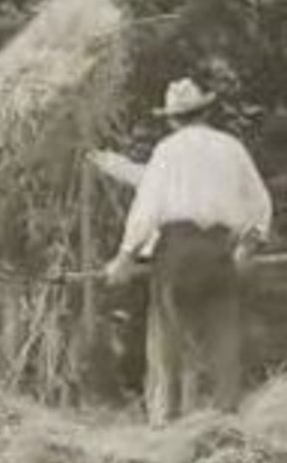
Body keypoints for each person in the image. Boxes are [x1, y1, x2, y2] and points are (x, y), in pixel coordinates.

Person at [104, 78, 272, 426]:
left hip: (178, 253)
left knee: (168, 344)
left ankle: (168, 423)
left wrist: (124, 257)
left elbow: (147, 209)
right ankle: (227, 426)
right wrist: (247, 247)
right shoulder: (231, 147)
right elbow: (260, 204)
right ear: (204, 112)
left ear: (172, 119)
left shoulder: (167, 151)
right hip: (218, 253)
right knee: (223, 342)